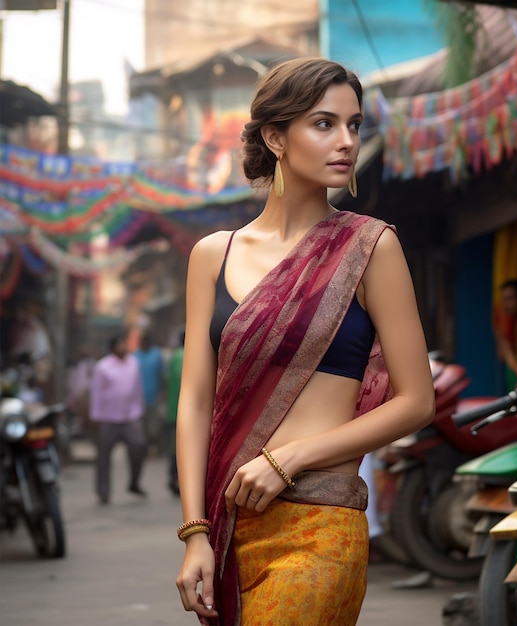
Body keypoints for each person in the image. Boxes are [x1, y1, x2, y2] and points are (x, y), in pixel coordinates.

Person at [175, 57, 435, 626]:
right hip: (229, 524)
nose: (346, 141)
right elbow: (196, 400)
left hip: (319, 524)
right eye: (324, 124)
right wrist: (195, 533)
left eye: (354, 124)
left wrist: (287, 458)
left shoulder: (370, 247)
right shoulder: (211, 256)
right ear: (275, 137)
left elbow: (417, 401)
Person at [90, 334, 147, 505]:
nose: (123, 348)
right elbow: (97, 392)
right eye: (120, 344)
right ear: (113, 347)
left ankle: (134, 482)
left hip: (130, 416)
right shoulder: (103, 367)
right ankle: (103, 491)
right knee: (103, 455)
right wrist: (96, 416)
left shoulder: (133, 363)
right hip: (109, 417)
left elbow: (137, 388)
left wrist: (139, 409)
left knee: (139, 446)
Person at [134, 332, 164, 455]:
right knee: (142, 426)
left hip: (154, 396)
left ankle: (155, 448)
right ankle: (143, 449)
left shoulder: (156, 355)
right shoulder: (135, 356)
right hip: (138, 398)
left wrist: (162, 393)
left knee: (154, 426)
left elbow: (161, 375)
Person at [165, 329, 185, 496]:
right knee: (179, 448)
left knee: (175, 447)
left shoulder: (175, 355)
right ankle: (175, 478)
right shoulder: (182, 356)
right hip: (180, 411)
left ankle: (173, 477)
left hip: (174, 409)